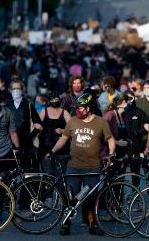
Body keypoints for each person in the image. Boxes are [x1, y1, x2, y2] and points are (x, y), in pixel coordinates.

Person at [47, 93, 115, 236]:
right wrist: (52, 151)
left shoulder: (101, 122)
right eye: (77, 107)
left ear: (89, 108)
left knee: (91, 198)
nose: (78, 110)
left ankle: (92, 224)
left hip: (93, 167)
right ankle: (66, 224)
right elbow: (64, 138)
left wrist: (110, 154)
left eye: (81, 108)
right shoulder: (72, 121)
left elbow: (110, 140)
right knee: (71, 198)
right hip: (74, 165)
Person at [6, 80, 42, 169]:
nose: (16, 91)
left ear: (22, 90)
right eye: (14, 88)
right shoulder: (7, 106)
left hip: (26, 144)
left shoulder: (28, 105)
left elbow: (39, 124)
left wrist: (30, 135)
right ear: (10, 90)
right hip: (10, 143)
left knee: (27, 168)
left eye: (18, 88)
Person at [38, 94, 71, 176]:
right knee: (47, 174)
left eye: (56, 100)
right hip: (45, 148)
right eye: (53, 100)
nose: (54, 102)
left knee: (60, 174)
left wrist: (63, 130)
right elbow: (35, 127)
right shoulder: (43, 112)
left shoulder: (64, 112)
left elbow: (72, 128)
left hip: (61, 149)